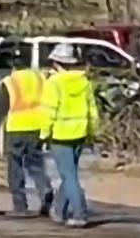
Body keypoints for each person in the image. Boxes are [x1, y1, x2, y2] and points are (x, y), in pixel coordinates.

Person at [41, 43, 99, 228]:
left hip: (60, 136)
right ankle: (58, 211)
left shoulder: (53, 84)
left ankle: (80, 213)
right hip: (79, 134)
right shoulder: (84, 83)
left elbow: (48, 111)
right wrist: (91, 132)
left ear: (57, 63)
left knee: (69, 176)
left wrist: (44, 133)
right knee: (70, 174)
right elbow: (93, 111)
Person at [0, 56, 52, 218]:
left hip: (17, 128)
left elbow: (1, 107)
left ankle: (20, 206)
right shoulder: (40, 78)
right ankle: (45, 190)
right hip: (37, 126)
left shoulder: (10, 81)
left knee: (16, 167)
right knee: (36, 165)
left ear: (13, 67)